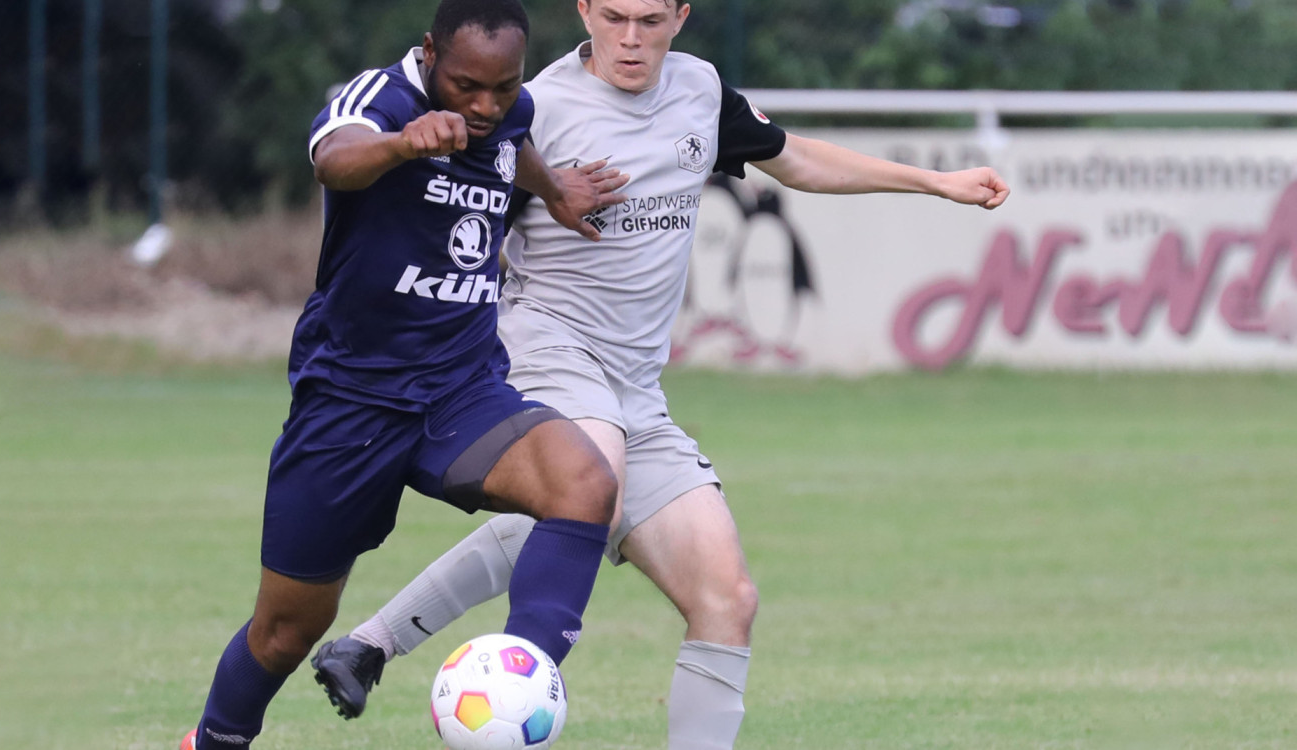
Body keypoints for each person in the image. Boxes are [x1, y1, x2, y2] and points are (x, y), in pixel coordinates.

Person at [311, 0, 1011, 747]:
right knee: (592, 486)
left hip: (635, 388)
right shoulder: (534, 106)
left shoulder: (701, 92)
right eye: (615, 16)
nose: (632, 38)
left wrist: (935, 182)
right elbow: (445, 227)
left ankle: (370, 643)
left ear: (682, 14)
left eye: (651, 19)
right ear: (584, 8)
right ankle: (513, 689)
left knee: (727, 596)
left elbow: (794, 158)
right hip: (547, 346)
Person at [177, 0, 637, 747]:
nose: (484, 105)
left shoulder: (508, 111)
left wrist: (554, 191)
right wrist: (401, 145)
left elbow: (511, 141)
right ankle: (215, 740)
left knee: (583, 485)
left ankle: (520, 685)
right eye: (465, 87)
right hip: (351, 404)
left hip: (462, 392)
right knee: (285, 634)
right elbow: (334, 158)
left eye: (503, 85)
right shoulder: (381, 99)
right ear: (429, 54)